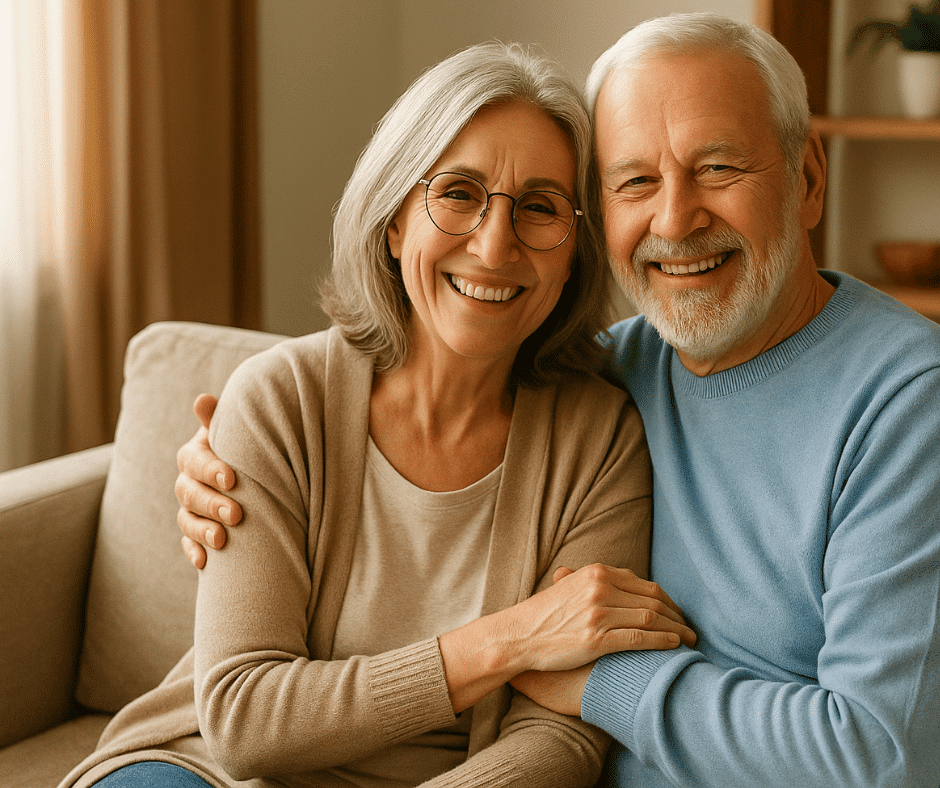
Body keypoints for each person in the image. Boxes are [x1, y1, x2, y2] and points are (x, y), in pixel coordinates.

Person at [177, 13, 940, 788]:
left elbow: (886, 758)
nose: (675, 220)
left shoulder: (909, 407)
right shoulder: (612, 372)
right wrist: (216, 464)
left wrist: (602, 684)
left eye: (718, 168)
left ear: (808, 179)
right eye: (636, 181)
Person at [61, 41, 697, 788]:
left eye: (539, 208)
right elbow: (243, 719)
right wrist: (510, 639)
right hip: (204, 771)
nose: (495, 245)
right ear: (395, 224)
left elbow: (559, 736)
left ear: (574, 254)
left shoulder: (601, 440)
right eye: (457, 193)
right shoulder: (278, 401)